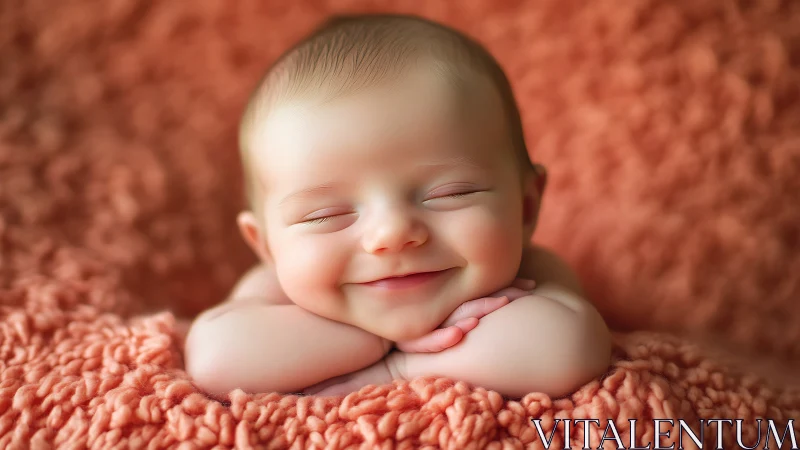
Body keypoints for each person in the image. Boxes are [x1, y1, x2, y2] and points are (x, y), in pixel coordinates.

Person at [184, 14, 612, 400]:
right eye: (325, 216)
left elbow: (570, 346)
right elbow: (215, 360)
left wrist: (400, 367)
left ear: (525, 207)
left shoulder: (531, 273)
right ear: (268, 246)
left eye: (451, 193)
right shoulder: (275, 292)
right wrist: (379, 339)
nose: (392, 232)